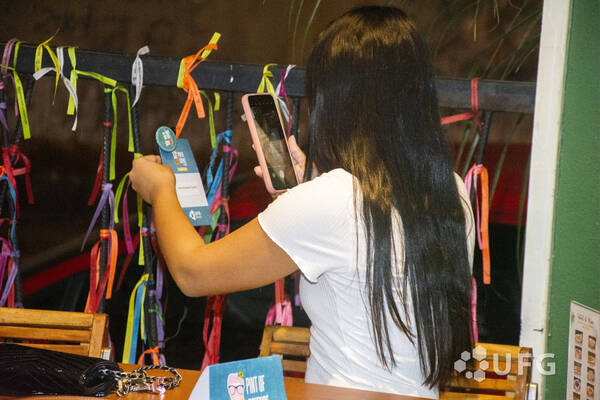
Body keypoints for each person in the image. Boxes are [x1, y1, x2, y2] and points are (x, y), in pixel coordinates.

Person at [129, 6, 475, 398]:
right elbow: (357, 255)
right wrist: (308, 189)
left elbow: (193, 273)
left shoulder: (331, 201)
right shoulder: (451, 190)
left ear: (337, 100)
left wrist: (161, 190)